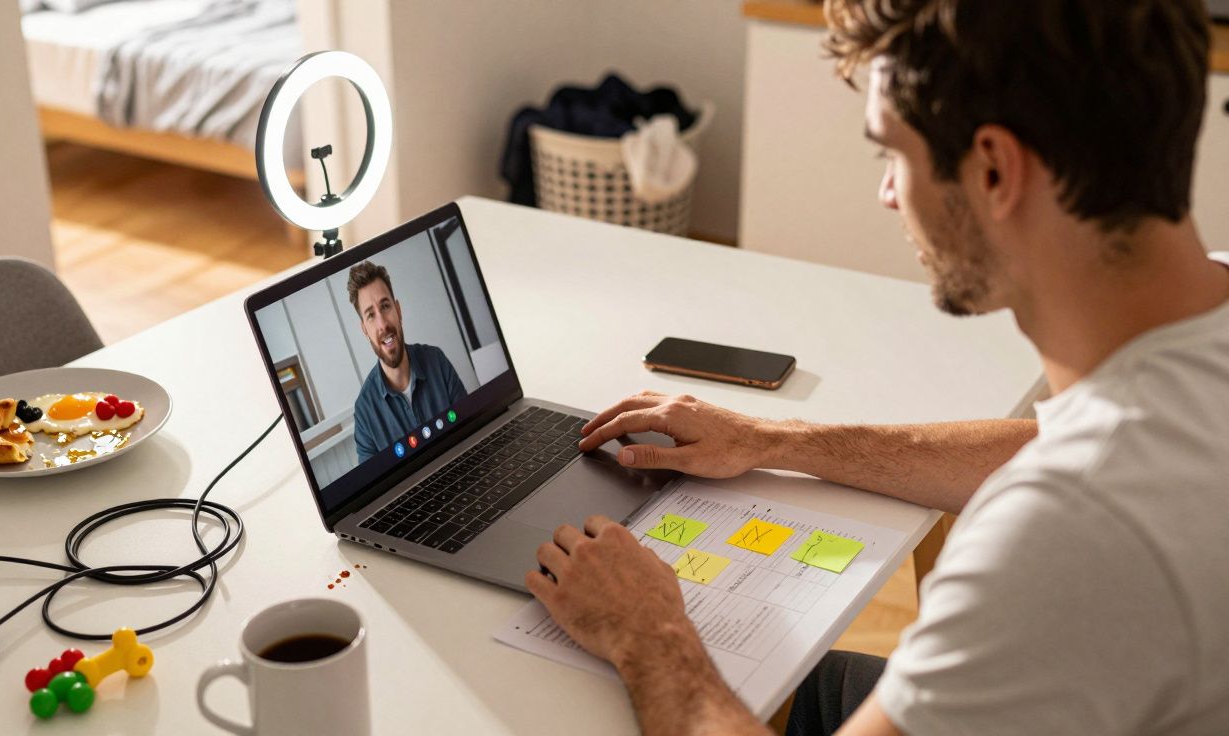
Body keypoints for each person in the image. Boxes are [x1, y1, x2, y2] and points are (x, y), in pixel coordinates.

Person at [526, 1, 1229, 734]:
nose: (888, 193)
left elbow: (1082, 485)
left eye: (891, 153)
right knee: (804, 676)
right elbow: (1064, 449)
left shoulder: (1058, 539)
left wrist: (649, 632)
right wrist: (776, 440)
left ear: (993, 169)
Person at [349, 261, 466, 463]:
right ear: (364, 330)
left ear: (398, 310)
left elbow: (471, 426)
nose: (383, 324)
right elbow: (376, 489)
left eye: (385, 306)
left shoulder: (436, 360)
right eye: (370, 315)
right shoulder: (364, 412)